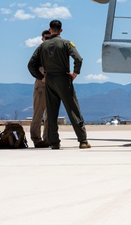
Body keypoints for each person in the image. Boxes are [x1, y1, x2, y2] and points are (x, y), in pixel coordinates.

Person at [27, 19, 91, 149]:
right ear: (61, 30)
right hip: (63, 78)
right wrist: (75, 73)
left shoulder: (42, 46)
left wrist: (41, 77)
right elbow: (78, 58)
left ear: (50, 30)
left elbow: (31, 65)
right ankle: (83, 140)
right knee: (73, 109)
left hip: (49, 79)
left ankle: (54, 142)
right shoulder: (66, 43)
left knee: (51, 111)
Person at [29, 29, 52, 147]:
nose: (48, 40)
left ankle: (47, 138)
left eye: (50, 38)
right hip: (41, 86)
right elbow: (31, 65)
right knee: (38, 114)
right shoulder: (39, 51)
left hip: (52, 85)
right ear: (42, 39)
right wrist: (41, 77)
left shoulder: (54, 50)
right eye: (46, 38)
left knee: (50, 115)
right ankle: (36, 139)